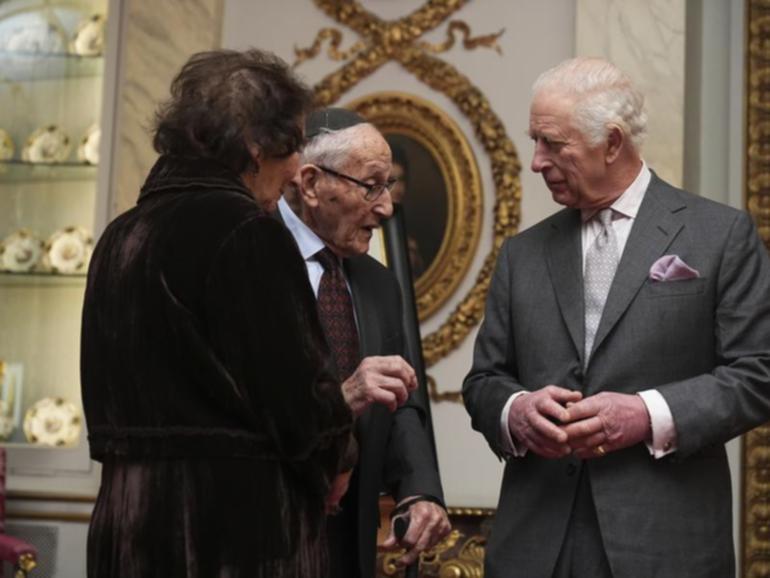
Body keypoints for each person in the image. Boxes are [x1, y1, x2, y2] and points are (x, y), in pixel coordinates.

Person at [463, 56, 770, 578]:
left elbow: (757, 374)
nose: (536, 161)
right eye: (534, 140)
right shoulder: (522, 254)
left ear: (611, 141)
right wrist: (515, 411)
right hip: (535, 547)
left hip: (665, 544)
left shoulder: (719, 236)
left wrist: (646, 414)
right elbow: (484, 380)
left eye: (552, 144)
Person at [80, 49, 354, 578]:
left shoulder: (118, 236)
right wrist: (338, 457)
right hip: (228, 534)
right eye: (293, 144)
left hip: (123, 527)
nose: (299, 168)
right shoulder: (246, 232)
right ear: (254, 144)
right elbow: (301, 402)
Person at [276, 108, 451, 578]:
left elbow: (403, 400)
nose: (387, 206)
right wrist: (340, 398)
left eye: (388, 185)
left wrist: (419, 490)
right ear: (310, 184)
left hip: (349, 544)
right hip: (266, 528)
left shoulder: (379, 283)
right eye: (371, 185)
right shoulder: (251, 259)